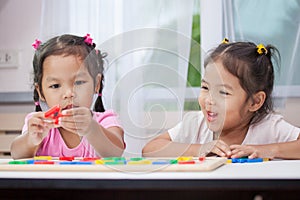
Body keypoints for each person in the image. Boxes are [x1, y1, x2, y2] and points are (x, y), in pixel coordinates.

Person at [142, 39, 300, 159]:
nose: (210, 100)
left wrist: (268, 150)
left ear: (255, 102)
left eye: (223, 93)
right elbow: (150, 149)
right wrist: (199, 149)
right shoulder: (195, 124)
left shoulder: (269, 127)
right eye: (205, 88)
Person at [10, 34, 125, 159]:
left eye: (79, 82)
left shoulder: (106, 121)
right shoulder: (39, 125)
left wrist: (92, 129)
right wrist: (31, 139)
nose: (69, 93)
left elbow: (116, 152)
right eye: (55, 86)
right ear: (41, 92)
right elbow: (17, 155)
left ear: (96, 84)